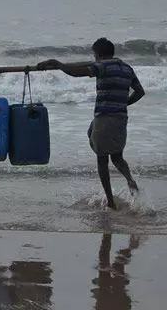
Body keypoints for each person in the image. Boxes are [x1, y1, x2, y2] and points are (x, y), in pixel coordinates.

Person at [38, 37, 144, 210]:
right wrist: (124, 103)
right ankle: (130, 180)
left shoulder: (102, 66)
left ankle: (110, 202)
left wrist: (57, 64)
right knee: (116, 156)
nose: (94, 58)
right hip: (120, 119)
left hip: (104, 118)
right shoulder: (126, 68)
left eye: (95, 55)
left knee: (102, 160)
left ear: (99, 54)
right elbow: (140, 92)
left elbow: (76, 73)